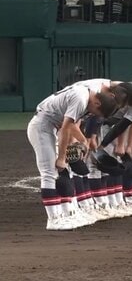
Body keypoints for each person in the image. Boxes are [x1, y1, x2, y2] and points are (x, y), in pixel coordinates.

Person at [27, 85, 117, 230]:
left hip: (50, 126)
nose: (94, 114)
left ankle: (66, 215)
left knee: (62, 172)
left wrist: (82, 141)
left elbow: (70, 124)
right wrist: (62, 157)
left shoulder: (86, 95)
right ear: (97, 103)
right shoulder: (81, 99)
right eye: (96, 112)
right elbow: (66, 127)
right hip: (42, 126)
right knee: (50, 171)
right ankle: (54, 219)